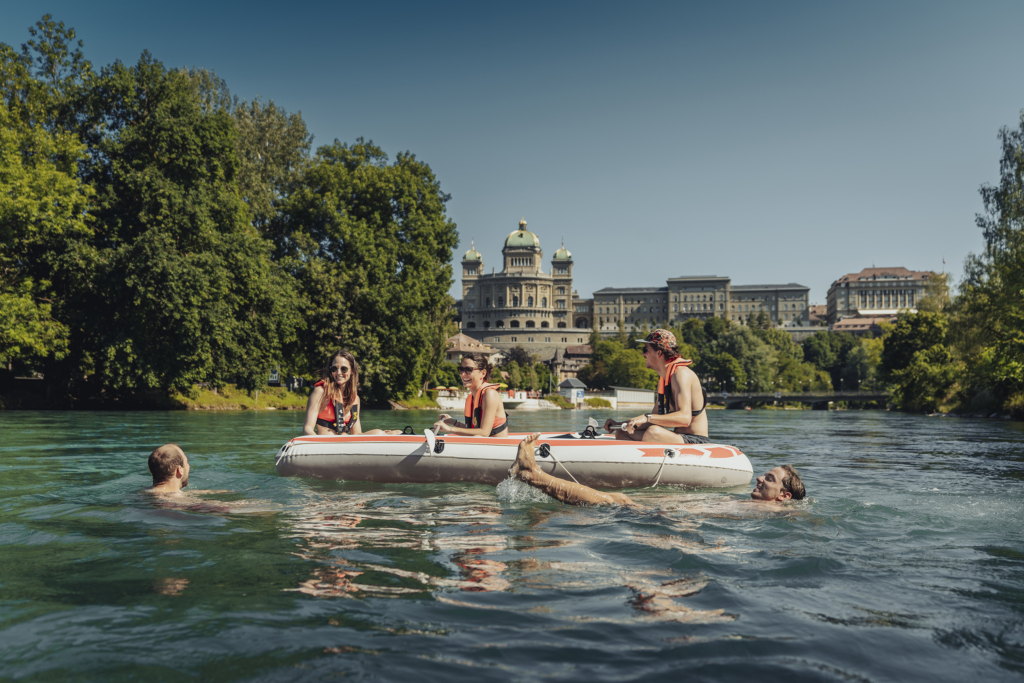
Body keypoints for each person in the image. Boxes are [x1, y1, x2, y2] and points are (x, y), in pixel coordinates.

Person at [510, 433, 806, 506]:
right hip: (673, 514)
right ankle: (533, 478)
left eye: (769, 479)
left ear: (783, 496)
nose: (759, 478)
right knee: (614, 500)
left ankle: (533, 475)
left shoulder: (773, 514)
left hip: (669, 520)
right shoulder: (767, 510)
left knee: (618, 500)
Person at [605, 329, 708, 444]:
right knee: (621, 432)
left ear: (659, 353)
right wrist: (619, 424)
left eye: (645, 350)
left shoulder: (681, 374)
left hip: (696, 440)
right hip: (678, 437)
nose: (642, 354)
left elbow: (685, 419)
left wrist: (646, 417)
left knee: (653, 432)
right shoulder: (664, 379)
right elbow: (655, 419)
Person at [303, 350, 400, 436]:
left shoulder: (355, 399)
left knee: (390, 432)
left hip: (345, 443)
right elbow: (307, 428)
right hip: (327, 444)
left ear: (352, 371)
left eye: (344, 369)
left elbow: (357, 433)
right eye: (334, 369)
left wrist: (383, 434)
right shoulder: (321, 392)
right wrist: (316, 443)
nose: (339, 372)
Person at [433, 353, 510, 438]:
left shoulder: (490, 395)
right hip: (482, 446)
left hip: (496, 448)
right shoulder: (472, 398)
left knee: (477, 437)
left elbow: (484, 432)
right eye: (461, 369)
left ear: (483, 373)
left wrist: (449, 429)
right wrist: (453, 422)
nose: (463, 374)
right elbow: (471, 430)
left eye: (468, 370)